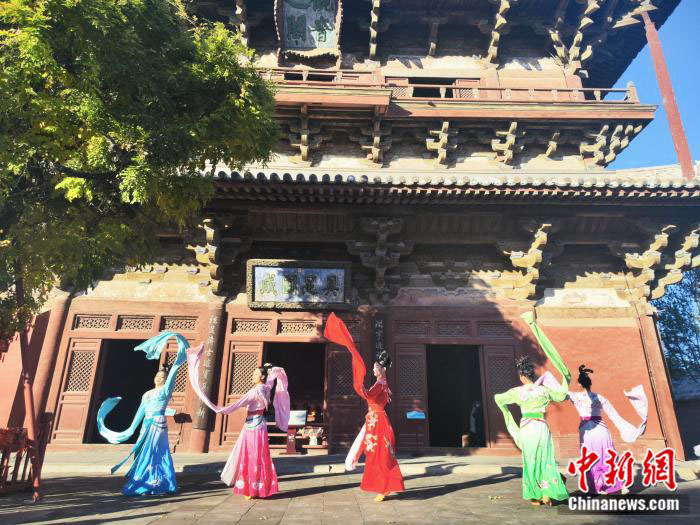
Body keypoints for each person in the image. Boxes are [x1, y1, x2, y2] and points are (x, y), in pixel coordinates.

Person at [97, 332, 195, 496]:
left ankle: (159, 482)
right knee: (143, 451)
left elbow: (175, 369)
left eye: (162, 377)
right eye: (157, 376)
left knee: (155, 451)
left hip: (158, 424)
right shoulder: (147, 394)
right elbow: (139, 413)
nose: (158, 378)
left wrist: (179, 341)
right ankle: (143, 480)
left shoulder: (165, 391)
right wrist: (130, 429)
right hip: (146, 424)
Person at [186, 346, 290, 499]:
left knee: (251, 455)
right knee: (260, 455)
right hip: (260, 424)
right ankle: (261, 486)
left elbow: (236, 405)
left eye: (256, 374)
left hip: (252, 426)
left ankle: (251, 488)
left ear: (262, 376)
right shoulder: (267, 388)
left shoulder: (254, 391)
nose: (253, 375)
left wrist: (220, 409)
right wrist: (268, 368)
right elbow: (272, 376)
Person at [324, 313, 405, 502]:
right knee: (378, 454)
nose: (374, 369)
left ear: (381, 369)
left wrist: (359, 387)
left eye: (376, 367)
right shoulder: (383, 383)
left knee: (378, 454)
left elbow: (368, 396)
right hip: (377, 419)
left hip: (377, 421)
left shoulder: (380, 383)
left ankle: (383, 487)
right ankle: (383, 485)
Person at [494, 312, 570, 506]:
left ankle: (535, 494)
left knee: (530, 460)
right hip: (542, 426)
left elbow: (499, 398)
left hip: (527, 427)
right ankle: (548, 492)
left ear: (522, 376)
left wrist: (505, 410)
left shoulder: (518, 392)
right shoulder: (544, 391)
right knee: (546, 459)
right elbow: (561, 395)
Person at [536, 364, 647, 494]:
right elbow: (614, 416)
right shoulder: (600, 398)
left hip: (587, 431)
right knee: (606, 456)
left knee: (590, 458)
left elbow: (559, 392)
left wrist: (541, 382)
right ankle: (617, 485)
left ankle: (597, 486)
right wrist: (628, 430)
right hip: (601, 430)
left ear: (579, 384)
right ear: (590, 383)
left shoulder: (574, 396)